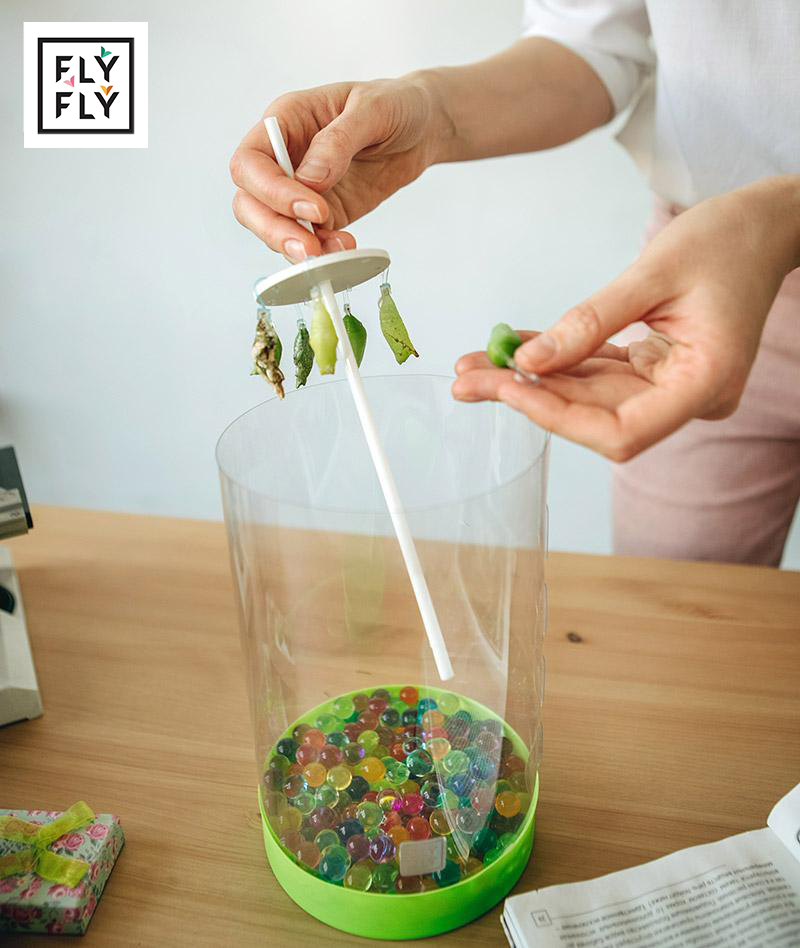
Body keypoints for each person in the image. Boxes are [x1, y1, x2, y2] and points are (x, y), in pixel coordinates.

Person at [229, 2, 800, 567]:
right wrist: (430, 113)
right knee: (674, 592)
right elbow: (591, 41)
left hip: (716, 254)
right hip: (693, 287)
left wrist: (777, 222)